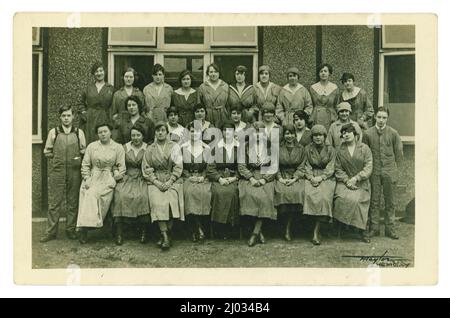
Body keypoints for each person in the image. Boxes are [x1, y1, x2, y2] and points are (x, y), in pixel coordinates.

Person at [40, 105, 87, 242]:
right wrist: (57, 157)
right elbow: (47, 152)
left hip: (74, 171)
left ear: (73, 117)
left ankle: (70, 229)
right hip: (58, 170)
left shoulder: (79, 133)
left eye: (68, 115)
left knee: (73, 201)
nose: (66, 118)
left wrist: (77, 158)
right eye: (63, 116)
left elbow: (84, 151)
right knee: (55, 202)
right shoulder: (54, 132)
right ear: (60, 117)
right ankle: (51, 232)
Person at [77, 123, 126, 244]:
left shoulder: (118, 147)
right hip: (93, 176)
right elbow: (85, 165)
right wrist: (87, 178)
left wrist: (114, 179)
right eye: (100, 132)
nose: (103, 134)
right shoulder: (92, 147)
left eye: (105, 131)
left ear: (110, 132)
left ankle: (92, 224)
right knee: (88, 192)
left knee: (97, 194)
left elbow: (122, 167)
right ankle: (84, 229)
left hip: (108, 177)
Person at [142, 122, 184, 250]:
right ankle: (165, 236)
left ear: (167, 132)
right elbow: (146, 167)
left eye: (162, 130)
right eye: (157, 131)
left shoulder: (174, 146)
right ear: (155, 133)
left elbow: (178, 166)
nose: (160, 133)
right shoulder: (150, 149)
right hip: (155, 181)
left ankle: (166, 234)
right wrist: (156, 182)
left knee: (171, 201)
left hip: (172, 179)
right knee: (158, 202)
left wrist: (170, 181)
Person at [362, 107, 403, 239]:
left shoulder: (393, 133)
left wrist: (395, 172)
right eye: (379, 117)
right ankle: (374, 228)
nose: (381, 120)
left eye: (384, 117)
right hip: (374, 171)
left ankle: (390, 228)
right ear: (375, 117)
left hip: (389, 171)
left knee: (390, 201)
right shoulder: (368, 134)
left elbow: (399, 155)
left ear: (387, 118)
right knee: (374, 200)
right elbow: (365, 154)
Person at [238, 121, 278, 247]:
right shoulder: (244, 147)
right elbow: (241, 166)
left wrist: (264, 179)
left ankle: (255, 233)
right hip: (250, 178)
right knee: (248, 196)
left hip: (266, 178)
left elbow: (274, 167)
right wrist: (251, 178)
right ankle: (259, 231)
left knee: (265, 198)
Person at [111, 125, 150, 245]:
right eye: (133, 135)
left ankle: (144, 231)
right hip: (126, 176)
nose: (136, 138)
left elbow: (151, 163)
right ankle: (119, 232)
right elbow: (116, 164)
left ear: (143, 136)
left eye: (138, 135)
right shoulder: (124, 148)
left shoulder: (148, 148)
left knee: (143, 196)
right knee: (120, 195)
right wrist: (116, 171)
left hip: (142, 177)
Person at [334, 123, 373, 243]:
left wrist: (356, 178)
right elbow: (338, 168)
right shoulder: (340, 150)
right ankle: (345, 227)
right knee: (341, 198)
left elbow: (368, 166)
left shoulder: (364, 148)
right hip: (345, 182)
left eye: (348, 132)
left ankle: (362, 230)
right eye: (343, 133)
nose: (346, 135)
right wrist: (346, 180)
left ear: (355, 134)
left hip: (361, 182)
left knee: (358, 200)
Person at [303, 124, 336, 245]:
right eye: (315, 135)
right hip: (311, 175)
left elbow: (331, 166)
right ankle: (310, 228)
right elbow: (305, 164)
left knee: (324, 196)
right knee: (308, 194)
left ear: (324, 136)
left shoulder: (331, 149)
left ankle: (317, 231)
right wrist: (311, 177)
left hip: (326, 177)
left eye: (320, 135)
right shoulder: (307, 149)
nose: (318, 138)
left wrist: (321, 177)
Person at [207, 121, 241, 239]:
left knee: (233, 193)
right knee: (218, 193)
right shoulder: (216, 147)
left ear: (234, 132)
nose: (227, 133)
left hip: (233, 177)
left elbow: (242, 166)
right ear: (221, 132)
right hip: (219, 177)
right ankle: (219, 227)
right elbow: (210, 168)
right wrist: (219, 179)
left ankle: (231, 226)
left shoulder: (239, 147)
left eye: (230, 130)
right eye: (225, 130)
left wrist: (234, 177)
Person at [274, 124, 306, 241]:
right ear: (284, 135)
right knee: (281, 192)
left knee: (298, 192)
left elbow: (302, 166)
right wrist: (280, 178)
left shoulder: (301, 149)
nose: (289, 136)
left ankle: (290, 227)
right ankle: (282, 226)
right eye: (287, 133)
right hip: (281, 176)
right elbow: (274, 165)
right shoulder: (277, 148)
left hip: (295, 177)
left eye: (292, 133)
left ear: (295, 135)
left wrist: (295, 178)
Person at [181, 122, 212, 242]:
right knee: (188, 192)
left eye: (197, 131)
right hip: (188, 177)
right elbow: (180, 166)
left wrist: (202, 177)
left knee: (205, 193)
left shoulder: (207, 148)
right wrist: (189, 176)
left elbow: (209, 167)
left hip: (203, 177)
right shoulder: (183, 147)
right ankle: (196, 228)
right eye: (192, 131)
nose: (195, 134)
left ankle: (198, 227)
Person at [78, 61, 115, 144]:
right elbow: (80, 102)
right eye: (96, 71)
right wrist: (84, 112)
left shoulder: (110, 88)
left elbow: (113, 104)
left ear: (104, 72)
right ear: (93, 73)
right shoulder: (88, 88)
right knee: (90, 141)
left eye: (101, 71)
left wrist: (111, 117)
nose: (99, 73)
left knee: (104, 141)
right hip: (90, 119)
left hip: (104, 118)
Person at [197, 63, 229, 128]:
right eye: (211, 72)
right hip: (208, 116)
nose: (213, 74)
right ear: (207, 73)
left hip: (222, 115)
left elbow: (228, 104)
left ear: (219, 73)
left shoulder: (225, 86)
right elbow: (199, 104)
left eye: (216, 72)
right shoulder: (202, 87)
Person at [310, 63, 340, 130]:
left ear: (329, 73)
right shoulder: (313, 88)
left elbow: (337, 104)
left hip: (331, 117)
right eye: (321, 71)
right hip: (317, 116)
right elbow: (310, 104)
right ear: (318, 74)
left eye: (325, 71)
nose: (323, 73)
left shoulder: (334, 88)